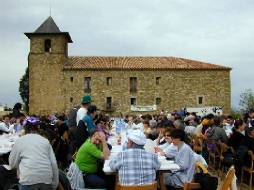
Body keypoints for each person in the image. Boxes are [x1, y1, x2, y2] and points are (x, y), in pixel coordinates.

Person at [8, 116, 59, 190]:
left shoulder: (20, 141)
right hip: (46, 180)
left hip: (28, 180)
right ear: (38, 128)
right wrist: (54, 184)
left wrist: (19, 166)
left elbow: (12, 163)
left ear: (24, 128)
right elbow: (54, 163)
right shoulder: (45, 141)